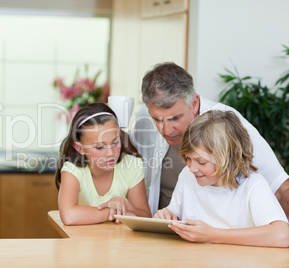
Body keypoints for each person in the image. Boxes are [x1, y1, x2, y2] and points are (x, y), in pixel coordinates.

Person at [129, 62, 289, 217]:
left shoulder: (225, 124)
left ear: (194, 103)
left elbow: (281, 188)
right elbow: (128, 160)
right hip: (168, 228)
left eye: (175, 118)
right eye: (157, 119)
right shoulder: (145, 115)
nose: (165, 130)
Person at [154, 110, 289, 247]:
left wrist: (214, 235)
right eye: (188, 158)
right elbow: (173, 216)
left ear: (228, 159)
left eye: (201, 162)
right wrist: (166, 216)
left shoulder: (253, 185)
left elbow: (283, 235)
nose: (192, 168)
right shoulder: (187, 176)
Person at [55, 103, 151, 225]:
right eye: (100, 147)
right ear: (80, 148)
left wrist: (127, 205)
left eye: (115, 142)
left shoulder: (132, 165)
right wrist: (114, 213)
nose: (110, 153)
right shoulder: (72, 170)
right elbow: (69, 216)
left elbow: (146, 216)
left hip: (121, 243)